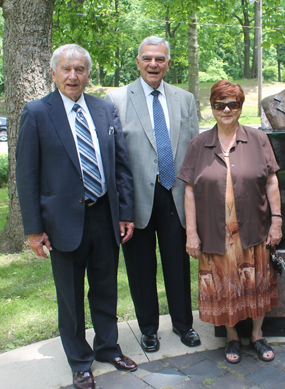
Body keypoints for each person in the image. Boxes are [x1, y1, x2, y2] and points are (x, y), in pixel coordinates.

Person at [16, 44, 136, 389]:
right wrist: (34, 230)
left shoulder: (104, 109)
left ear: (87, 74)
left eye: (80, 69)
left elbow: (121, 167)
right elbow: (27, 176)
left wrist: (125, 212)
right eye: (66, 69)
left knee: (105, 289)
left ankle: (108, 347)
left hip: (104, 216)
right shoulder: (37, 113)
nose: (73, 76)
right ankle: (80, 361)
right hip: (62, 223)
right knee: (70, 297)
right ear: (54, 73)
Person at [105, 36, 200, 352]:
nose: (153, 64)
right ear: (137, 61)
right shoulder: (116, 99)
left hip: (175, 195)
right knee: (141, 268)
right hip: (137, 200)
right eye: (147, 58)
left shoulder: (184, 99)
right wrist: (120, 207)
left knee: (178, 264)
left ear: (168, 63)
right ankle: (148, 329)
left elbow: (192, 149)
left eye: (159, 59)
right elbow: (114, 157)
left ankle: (183, 324)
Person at [178, 80, 282, 364]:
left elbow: (272, 181)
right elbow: (189, 190)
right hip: (215, 233)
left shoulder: (258, 138)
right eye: (219, 104)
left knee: (256, 284)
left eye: (232, 104)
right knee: (223, 287)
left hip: (253, 229)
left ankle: (258, 335)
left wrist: (276, 222)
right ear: (211, 107)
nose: (226, 110)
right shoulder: (198, 144)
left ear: (240, 107)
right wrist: (191, 233)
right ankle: (233, 337)